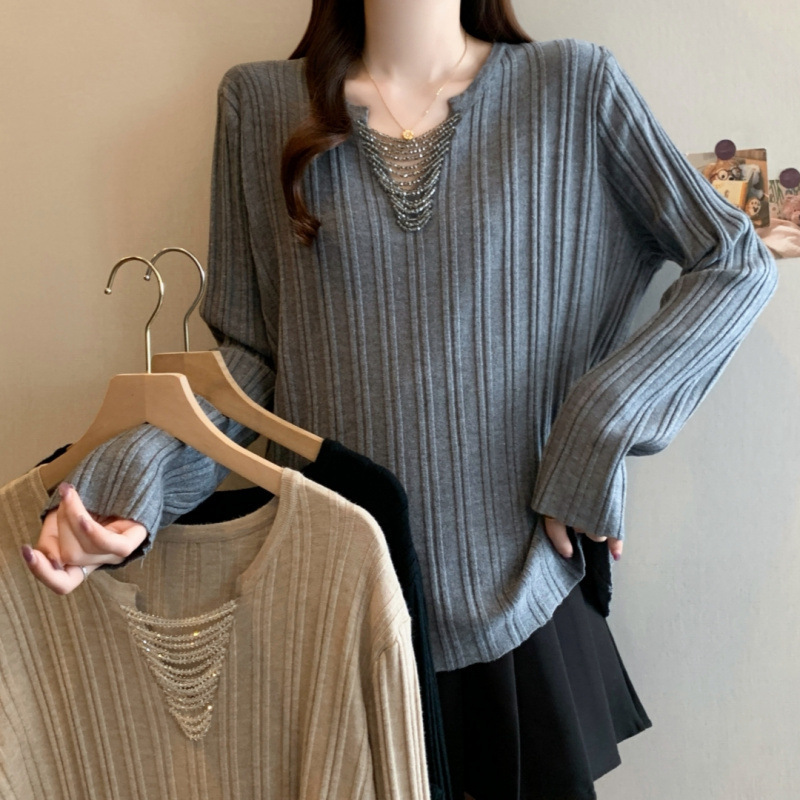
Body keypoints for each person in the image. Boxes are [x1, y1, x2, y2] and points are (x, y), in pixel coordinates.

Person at [23, 1, 778, 798]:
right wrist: (135, 478)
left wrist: (599, 429)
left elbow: (734, 261)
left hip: (520, 608)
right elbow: (253, 360)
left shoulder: (574, 87)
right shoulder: (258, 106)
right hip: (335, 609)